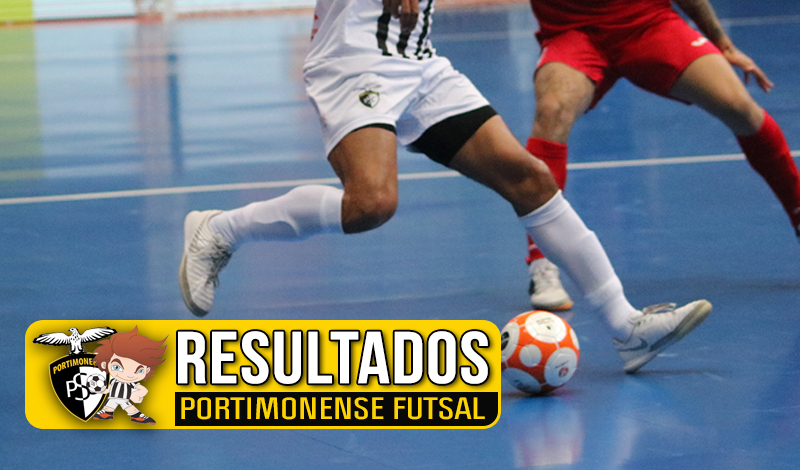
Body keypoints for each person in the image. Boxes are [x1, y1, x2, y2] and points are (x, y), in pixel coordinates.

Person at [179, 0, 712, 373]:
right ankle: (221, 230)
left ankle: (625, 326)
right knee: (371, 203)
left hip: (418, 61)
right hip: (354, 60)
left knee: (529, 178)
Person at [524, 0, 800, 311]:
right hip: (572, 32)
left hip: (647, 21)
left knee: (740, 106)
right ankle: (541, 261)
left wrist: (721, 42)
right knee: (551, 111)